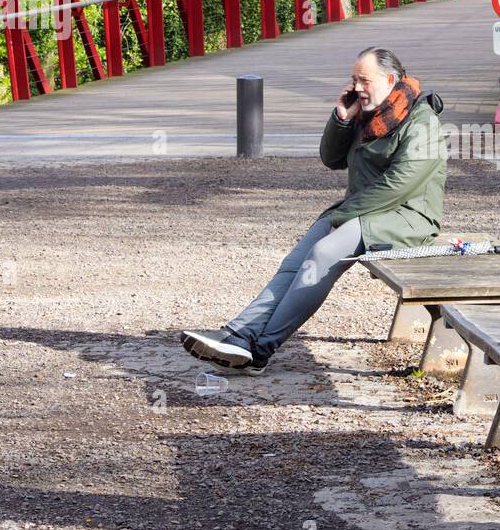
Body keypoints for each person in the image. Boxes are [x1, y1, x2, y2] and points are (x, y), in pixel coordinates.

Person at [180, 46, 447, 374]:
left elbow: (399, 185)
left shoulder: (422, 120)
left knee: (323, 253)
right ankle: (239, 335)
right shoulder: (368, 113)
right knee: (296, 261)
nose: (357, 88)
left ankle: (261, 350)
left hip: (407, 217)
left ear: (391, 79)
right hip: (364, 211)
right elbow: (331, 158)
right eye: (353, 80)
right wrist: (341, 118)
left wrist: (342, 218)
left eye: (364, 80)